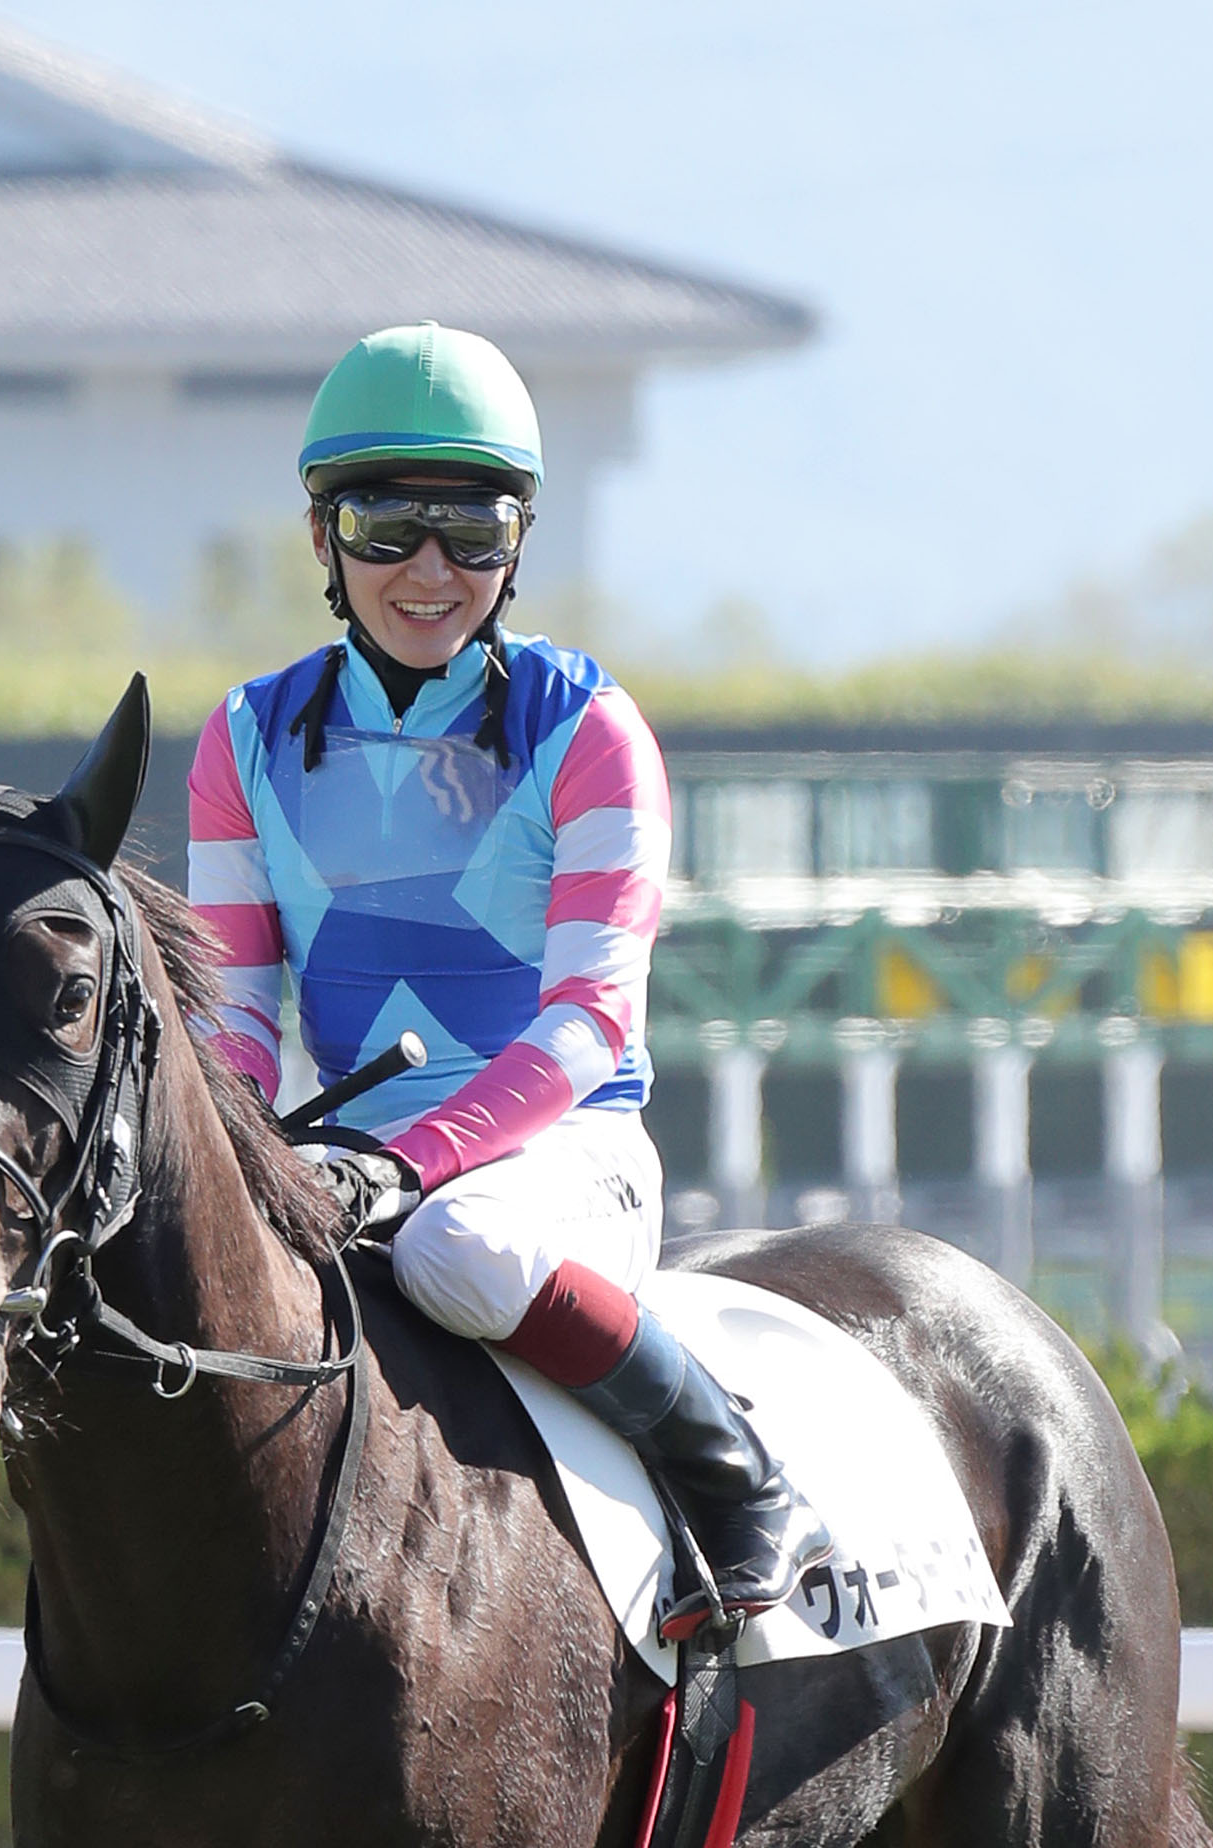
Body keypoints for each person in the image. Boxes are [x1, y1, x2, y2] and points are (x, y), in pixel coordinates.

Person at [187, 320, 830, 1640]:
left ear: (518, 543)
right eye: (385, 526)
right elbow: (238, 1019)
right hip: (348, 1161)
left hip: (561, 1157)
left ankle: (736, 1471)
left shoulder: (587, 728)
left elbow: (589, 1021)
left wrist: (408, 1165)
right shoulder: (244, 737)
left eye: (470, 532)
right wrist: (241, 1157)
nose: (429, 572)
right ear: (322, 537)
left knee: (456, 1242)